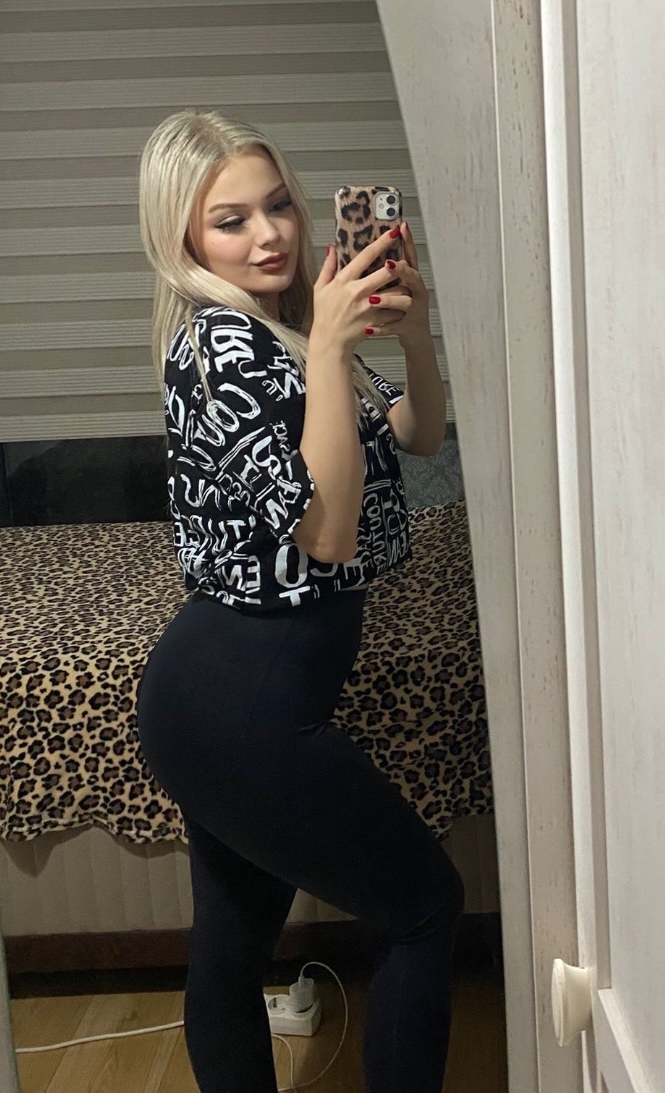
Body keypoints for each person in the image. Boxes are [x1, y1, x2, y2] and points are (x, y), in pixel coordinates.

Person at [135, 109, 464, 1093]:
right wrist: (325, 349)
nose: (269, 234)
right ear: (184, 238)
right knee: (423, 906)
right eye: (230, 219)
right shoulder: (221, 347)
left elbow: (417, 435)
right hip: (235, 695)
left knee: (231, 951)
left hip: (227, 697)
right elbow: (325, 532)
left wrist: (412, 337)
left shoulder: (283, 324)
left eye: (277, 204)